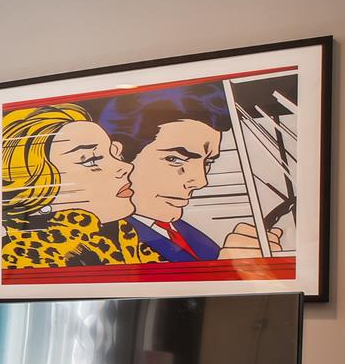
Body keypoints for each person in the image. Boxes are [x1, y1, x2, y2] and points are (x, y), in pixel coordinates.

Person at [98, 91, 283, 261]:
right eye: (175, 159)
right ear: (117, 156)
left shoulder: (189, 234)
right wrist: (224, 272)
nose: (201, 181)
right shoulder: (99, 241)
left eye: (208, 162)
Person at [0, 103, 158, 269]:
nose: (126, 167)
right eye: (92, 160)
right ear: (33, 186)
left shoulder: (125, 238)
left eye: (115, 153)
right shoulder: (32, 255)